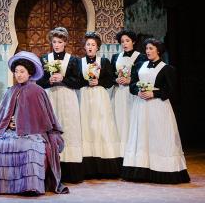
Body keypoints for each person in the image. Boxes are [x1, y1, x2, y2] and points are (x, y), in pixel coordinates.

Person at [0, 51, 69, 195]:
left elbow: (44, 118)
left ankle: (29, 187)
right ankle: (4, 187)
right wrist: (9, 123)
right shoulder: (10, 91)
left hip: (34, 132)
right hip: (12, 132)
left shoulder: (38, 91)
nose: (19, 75)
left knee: (29, 147)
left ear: (29, 73)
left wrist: (25, 124)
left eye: (22, 71)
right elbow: (3, 115)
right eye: (16, 72)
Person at [122, 38, 190, 184]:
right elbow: (133, 84)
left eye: (151, 48)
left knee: (158, 136)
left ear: (158, 50)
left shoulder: (167, 69)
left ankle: (162, 170)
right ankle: (140, 170)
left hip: (158, 107)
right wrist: (137, 92)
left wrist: (154, 93)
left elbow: (172, 91)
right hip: (141, 107)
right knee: (142, 136)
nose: (148, 51)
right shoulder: (140, 65)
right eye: (146, 48)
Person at [37, 27, 84, 183]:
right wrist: (48, 81)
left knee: (68, 129)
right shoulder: (44, 58)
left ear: (65, 43)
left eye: (60, 42)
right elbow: (39, 81)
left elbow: (78, 82)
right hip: (50, 98)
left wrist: (63, 79)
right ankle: (50, 170)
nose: (56, 44)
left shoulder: (74, 60)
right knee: (50, 129)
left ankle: (70, 171)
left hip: (68, 98)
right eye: (54, 41)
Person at [78, 31, 121, 179]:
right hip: (84, 96)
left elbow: (110, 81)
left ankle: (105, 167)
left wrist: (99, 80)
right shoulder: (79, 62)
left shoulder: (104, 61)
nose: (90, 47)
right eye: (88, 44)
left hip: (100, 97)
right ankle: (87, 167)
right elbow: (76, 80)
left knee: (101, 126)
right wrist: (86, 82)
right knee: (86, 126)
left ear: (98, 47)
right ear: (84, 47)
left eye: (93, 45)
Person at [109, 29, 146, 160]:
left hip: (132, 93)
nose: (124, 44)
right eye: (122, 41)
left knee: (131, 120)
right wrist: (116, 80)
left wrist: (131, 80)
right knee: (119, 120)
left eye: (127, 41)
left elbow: (143, 76)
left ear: (133, 42)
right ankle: (120, 155)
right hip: (118, 92)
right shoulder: (115, 57)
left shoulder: (141, 57)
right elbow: (110, 76)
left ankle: (132, 153)